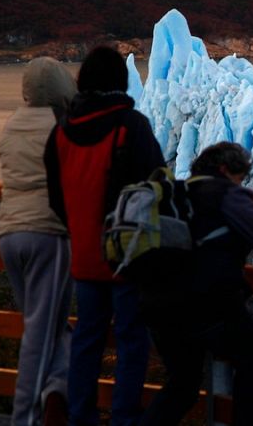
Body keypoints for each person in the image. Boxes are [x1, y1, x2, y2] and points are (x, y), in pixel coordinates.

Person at [44, 46, 165, 426]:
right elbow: (159, 185)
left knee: (86, 343)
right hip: (129, 257)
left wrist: (81, 229)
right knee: (132, 342)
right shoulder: (131, 125)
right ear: (120, 81)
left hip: (84, 256)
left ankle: (80, 417)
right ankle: (124, 418)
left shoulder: (61, 132)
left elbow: (56, 197)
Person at [139, 142, 253, 426]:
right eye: (240, 177)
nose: (241, 184)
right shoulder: (225, 195)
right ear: (225, 170)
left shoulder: (179, 193)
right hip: (210, 306)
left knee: (183, 385)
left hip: (161, 307)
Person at [0, 57, 76, 426]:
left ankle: (57, 388)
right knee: (40, 332)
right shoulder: (63, 128)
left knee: (50, 326)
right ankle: (24, 416)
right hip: (49, 235)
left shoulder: (13, 125)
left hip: (9, 235)